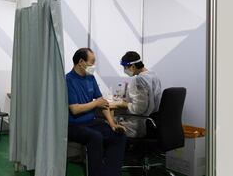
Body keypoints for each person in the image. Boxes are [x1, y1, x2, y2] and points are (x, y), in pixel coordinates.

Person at [66, 48, 127, 176]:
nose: (93, 66)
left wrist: (112, 124)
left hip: (91, 123)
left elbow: (102, 103)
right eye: (91, 62)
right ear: (81, 61)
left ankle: (111, 173)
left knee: (119, 135)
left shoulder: (90, 78)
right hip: (74, 125)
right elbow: (74, 109)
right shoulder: (68, 80)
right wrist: (95, 103)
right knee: (96, 137)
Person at [110, 51, 162, 138]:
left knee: (107, 124)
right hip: (152, 121)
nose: (125, 70)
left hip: (139, 124)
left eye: (125, 67)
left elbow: (139, 109)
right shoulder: (153, 75)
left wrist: (124, 104)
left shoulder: (140, 79)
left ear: (133, 66)